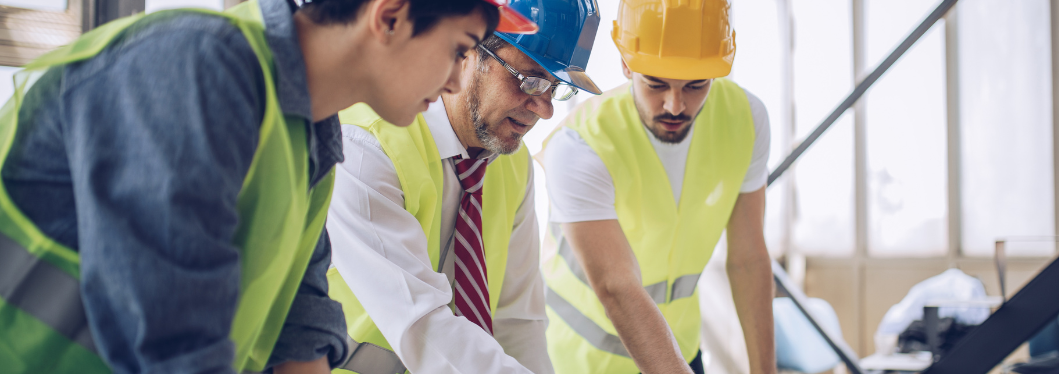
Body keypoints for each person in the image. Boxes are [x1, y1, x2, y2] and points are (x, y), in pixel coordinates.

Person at [0, 0, 531, 372]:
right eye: (460, 50)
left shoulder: (310, 138)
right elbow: (174, 339)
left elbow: (299, 328)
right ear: (389, 16)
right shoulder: (195, 68)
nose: (459, 81)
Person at [323, 0, 600, 373]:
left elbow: (518, 323)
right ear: (469, 48)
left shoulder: (513, 164)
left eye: (555, 88)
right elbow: (422, 326)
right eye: (530, 79)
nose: (544, 109)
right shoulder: (364, 148)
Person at [538, 0, 777, 373]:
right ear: (626, 64)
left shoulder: (746, 120)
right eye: (656, 83)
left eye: (696, 85)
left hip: (679, 352)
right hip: (584, 363)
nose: (675, 105)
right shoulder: (580, 144)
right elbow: (616, 285)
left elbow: (749, 260)